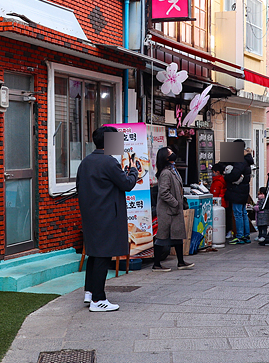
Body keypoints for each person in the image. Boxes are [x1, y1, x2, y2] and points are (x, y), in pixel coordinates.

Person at [76, 126, 138, 312]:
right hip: (107, 215)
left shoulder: (86, 162)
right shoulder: (109, 162)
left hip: (91, 215)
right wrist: (133, 171)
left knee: (94, 254)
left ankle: (89, 292)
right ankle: (98, 299)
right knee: (103, 255)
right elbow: (126, 184)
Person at [152, 147, 194, 272]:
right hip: (168, 211)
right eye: (170, 153)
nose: (173, 154)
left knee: (177, 236)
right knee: (162, 236)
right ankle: (157, 264)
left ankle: (181, 262)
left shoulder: (172, 170)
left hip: (174, 210)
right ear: (166, 157)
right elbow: (164, 193)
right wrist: (176, 203)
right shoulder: (165, 173)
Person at [224, 147, 252, 245]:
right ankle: (246, 235)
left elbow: (234, 175)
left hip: (237, 191)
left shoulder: (240, 162)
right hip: (244, 190)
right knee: (243, 213)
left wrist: (226, 176)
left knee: (238, 213)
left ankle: (240, 236)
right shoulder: (247, 161)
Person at [209, 163, 230, 238]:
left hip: (219, 203)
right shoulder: (223, 180)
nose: (213, 173)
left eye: (213, 172)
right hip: (224, 202)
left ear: (217, 172)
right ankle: (227, 232)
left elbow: (215, 193)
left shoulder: (217, 181)